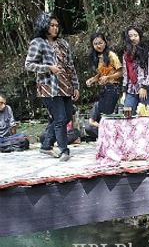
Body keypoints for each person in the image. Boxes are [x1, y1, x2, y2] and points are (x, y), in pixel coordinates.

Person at [25, 12, 79, 161]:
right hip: (49, 87)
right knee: (60, 118)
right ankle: (64, 150)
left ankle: (46, 145)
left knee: (67, 115)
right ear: (45, 26)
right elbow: (29, 65)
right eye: (51, 25)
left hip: (66, 85)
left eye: (56, 25)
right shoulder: (38, 42)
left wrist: (76, 86)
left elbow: (70, 66)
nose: (55, 28)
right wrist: (48, 67)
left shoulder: (63, 43)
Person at [85, 32, 122, 114]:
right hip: (103, 89)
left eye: (100, 43)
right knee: (102, 114)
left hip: (113, 88)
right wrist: (92, 80)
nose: (98, 46)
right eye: (95, 44)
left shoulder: (111, 55)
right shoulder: (97, 57)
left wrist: (108, 78)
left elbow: (121, 72)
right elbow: (101, 74)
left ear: (105, 43)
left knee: (107, 114)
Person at [122, 26, 149, 114]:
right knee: (127, 116)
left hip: (146, 90)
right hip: (131, 90)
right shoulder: (126, 54)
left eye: (135, 35)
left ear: (140, 37)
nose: (133, 38)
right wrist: (124, 91)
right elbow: (126, 74)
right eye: (130, 36)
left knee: (146, 118)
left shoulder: (147, 52)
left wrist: (144, 87)